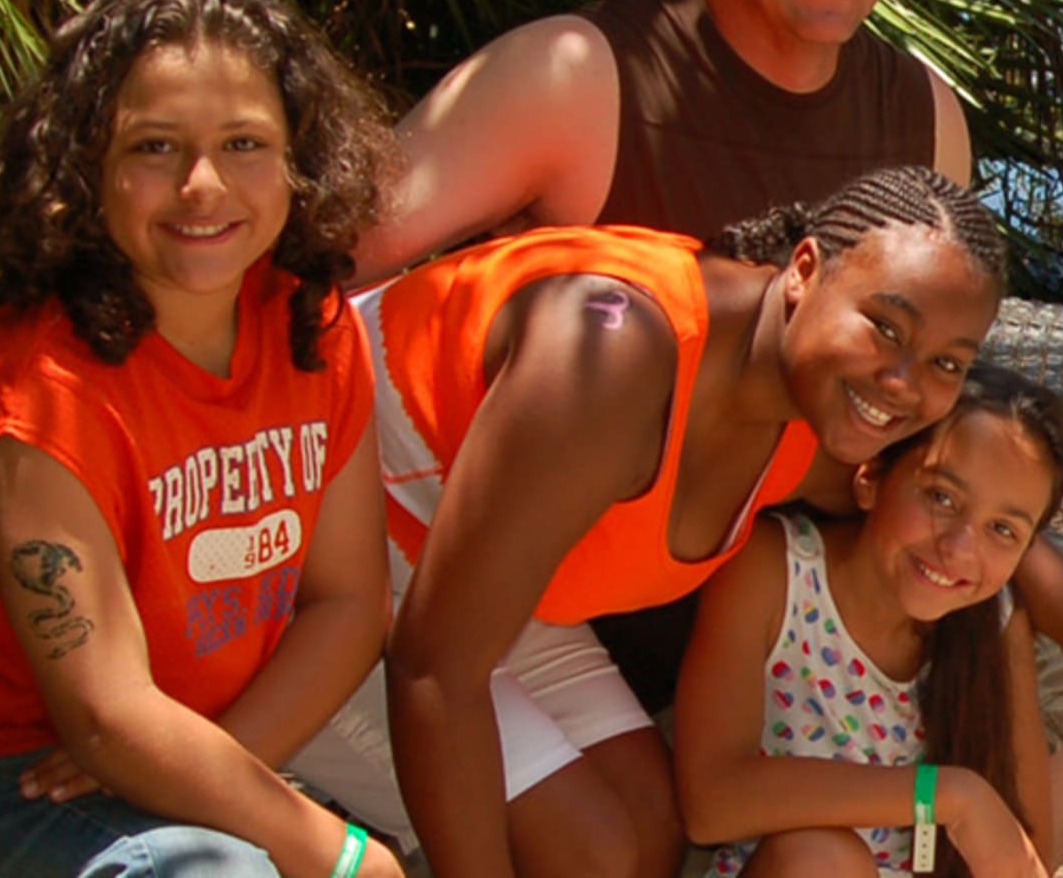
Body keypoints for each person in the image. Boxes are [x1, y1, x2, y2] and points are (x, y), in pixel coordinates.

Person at [347, 0, 1063, 859]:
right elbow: (317, 272)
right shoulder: (585, 81)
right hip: (486, 552)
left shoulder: (919, 117)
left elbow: (935, 450)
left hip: (710, 570)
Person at [0, 0, 404, 878]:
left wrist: (201, 775)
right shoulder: (39, 380)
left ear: (303, 157)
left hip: (178, 760)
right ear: (83, 169)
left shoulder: (310, 326)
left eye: (245, 142)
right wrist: (336, 855)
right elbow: (103, 715)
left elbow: (347, 605)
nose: (203, 184)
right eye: (152, 147)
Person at [284, 166, 1007, 878]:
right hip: (303, 547)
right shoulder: (613, 355)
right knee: (585, 853)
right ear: (805, 270)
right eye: (884, 328)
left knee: (649, 832)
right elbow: (433, 668)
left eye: (946, 363)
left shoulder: (827, 415)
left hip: (477, 579)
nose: (905, 382)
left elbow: (976, 501)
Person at [676, 366, 1063, 877]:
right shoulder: (774, 572)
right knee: (821, 858)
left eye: (1001, 529)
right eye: (941, 498)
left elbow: (1019, 857)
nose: (958, 549)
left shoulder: (994, 625)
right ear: (870, 479)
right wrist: (944, 795)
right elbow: (710, 803)